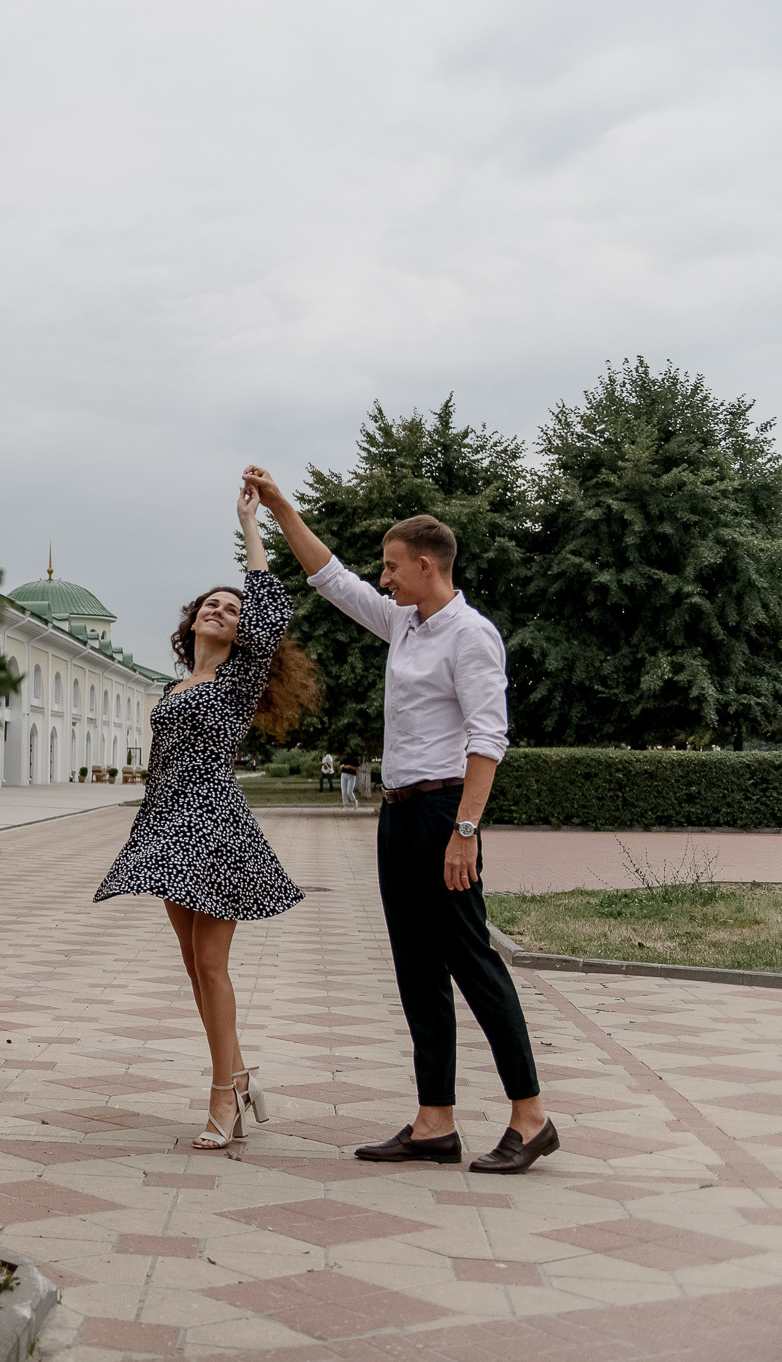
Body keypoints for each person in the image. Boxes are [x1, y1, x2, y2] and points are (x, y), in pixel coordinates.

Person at [243, 467, 557, 1175]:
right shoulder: (405, 626)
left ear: (425, 565)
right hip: (399, 813)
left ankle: (531, 1118)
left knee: (472, 961)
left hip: (445, 812)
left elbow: (489, 738)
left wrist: (465, 832)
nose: (382, 579)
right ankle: (433, 1122)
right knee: (417, 968)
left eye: (390, 567)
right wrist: (280, 507)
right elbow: (331, 578)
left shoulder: (470, 636)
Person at [94, 482, 318, 1150]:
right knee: (195, 968)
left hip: (213, 826)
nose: (223, 610)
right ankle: (237, 1076)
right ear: (193, 621)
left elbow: (271, 604)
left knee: (213, 967)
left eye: (232, 607)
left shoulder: (236, 682)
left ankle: (225, 1094)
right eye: (211, 605)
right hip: (167, 826)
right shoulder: (174, 687)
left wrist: (251, 522)